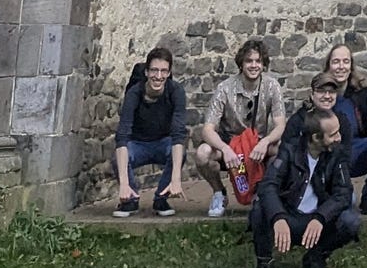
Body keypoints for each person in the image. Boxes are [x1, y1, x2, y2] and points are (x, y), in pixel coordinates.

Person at [248, 109, 360, 268]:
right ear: (316, 137)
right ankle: (263, 267)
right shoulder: (289, 150)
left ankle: (316, 257)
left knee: (350, 220)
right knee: (259, 209)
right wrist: (278, 217)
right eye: (333, 134)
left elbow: (344, 193)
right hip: (289, 217)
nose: (339, 138)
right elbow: (268, 185)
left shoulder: (337, 154)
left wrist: (321, 217)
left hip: (318, 221)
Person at [195, 39, 287, 217]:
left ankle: (266, 192)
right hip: (230, 143)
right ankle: (219, 193)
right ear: (241, 64)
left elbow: (280, 125)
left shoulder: (272, 86)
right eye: (249, 61)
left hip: (257, 143)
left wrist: (266, 142)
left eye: (258, 61)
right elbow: (207, 129)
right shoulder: (224, 88)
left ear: (263, 64)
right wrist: (225, 148)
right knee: (202, 153)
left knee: (283, 149)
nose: (254, 65)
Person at [112, 47, 187, 217]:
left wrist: (176, 179)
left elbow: (178, 135)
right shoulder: (134, 93)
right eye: (154, 70)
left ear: (169, 73)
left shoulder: (176, 91)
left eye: (163, 71)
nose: (158, 76)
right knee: (118, 158)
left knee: (179, 152)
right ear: (146, 72)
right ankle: (129, 200)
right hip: (137, 144)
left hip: (163, 142)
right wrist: (124, 183)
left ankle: (161, 199)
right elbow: (122, 136)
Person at [324, 44, 367, 215]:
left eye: (345, 61)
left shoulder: (363, 92)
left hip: (357, 149)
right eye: (336, 62)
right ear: (329, 65)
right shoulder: (321, 92)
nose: (341, 66)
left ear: (351, 66)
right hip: (330, 153)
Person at [282, 72, 354, 160]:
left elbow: (346, 154)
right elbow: (285, 151)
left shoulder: (342, 121)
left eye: (331, 92)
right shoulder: (297, 121)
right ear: (312, 94)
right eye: (321, 91)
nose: (327, 96)